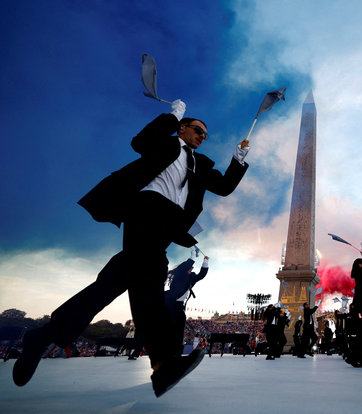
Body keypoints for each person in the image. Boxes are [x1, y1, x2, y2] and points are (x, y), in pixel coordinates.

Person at [12, 100, 250, 397]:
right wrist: (171, 115)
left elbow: (225, 187)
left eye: (206, 135)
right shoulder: (163, 144)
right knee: (151, 278)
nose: (203, 136)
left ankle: (43, 336)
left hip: (168, 223)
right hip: (146, 209)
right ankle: (163, 362)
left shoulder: (200, 164)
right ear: (183, 128)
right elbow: (140, 141)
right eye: (198, 130)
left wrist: (239, 157)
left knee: (111, 283)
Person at [165, 250, 209, 357]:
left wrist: (205, 262)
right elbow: (185, 267)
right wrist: (193, 256)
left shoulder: (190, 278)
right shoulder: (179, 274)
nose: (191, 270)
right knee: (170, 328)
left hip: (179, 306)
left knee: (180, 327)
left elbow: (201, 275)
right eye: (190, 269)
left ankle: (177, 352)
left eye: (191, 269)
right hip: (169, 303)